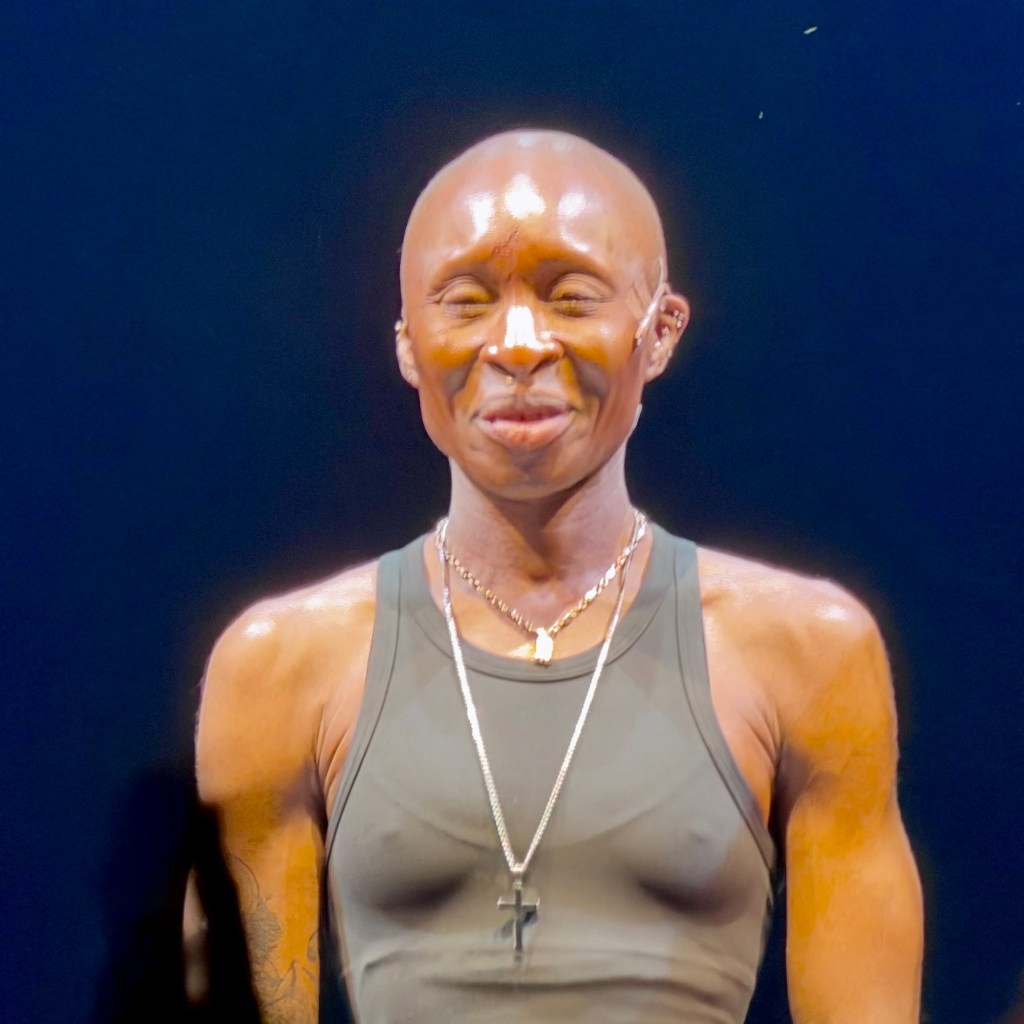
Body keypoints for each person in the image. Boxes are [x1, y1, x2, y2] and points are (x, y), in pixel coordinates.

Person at [193, 128, 923, 1022]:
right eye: (465, 303)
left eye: (571, 298)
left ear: (660, 332)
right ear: (409, 345)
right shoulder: (280, 669)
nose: (518, 345)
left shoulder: (806, 655)